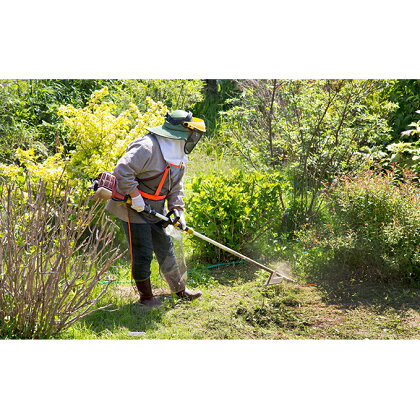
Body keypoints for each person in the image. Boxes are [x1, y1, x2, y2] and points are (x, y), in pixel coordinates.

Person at [106, 110, 206, 308]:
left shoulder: (178, 153)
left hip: (156, 208)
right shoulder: (147, 146)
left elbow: (176, 186)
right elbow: (122, 170)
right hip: (131, 207)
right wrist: (135, 196)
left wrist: (178, 210)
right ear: (179, 131)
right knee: (143, 252)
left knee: (166, 247)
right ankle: (146, 299)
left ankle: (179, 290)